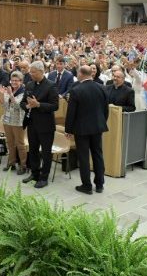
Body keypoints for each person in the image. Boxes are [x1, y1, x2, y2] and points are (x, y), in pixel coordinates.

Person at [65, 66, 109, 194]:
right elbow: (105, 109)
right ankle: (99, 184)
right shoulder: (102, 87)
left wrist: (68, 130)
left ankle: (87, 185)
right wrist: (101, 122)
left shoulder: (76, 90)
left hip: (81, 129)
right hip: (97, 127)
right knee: (98, 155)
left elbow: (71, 112)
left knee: (83, 157)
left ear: (81, 74)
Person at [20, 61, 59, 189]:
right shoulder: (30, 84)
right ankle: (34, 173)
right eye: (30, 72)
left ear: (41, 71)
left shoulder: (51, 85)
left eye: (33, 72)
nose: (31, 74)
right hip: (31, 123)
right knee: (33, 150)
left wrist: (38, 105)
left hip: (45, 125)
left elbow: (55, 106)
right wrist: (27, 106)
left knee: (46, 152)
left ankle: (44, 177)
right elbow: (22, 102)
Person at [0, 71, 28, 174]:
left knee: (20, 144)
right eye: (12, 80)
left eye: (16, 80)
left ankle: (23, 166)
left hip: (18, 121)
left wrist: (11, 94)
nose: (14, 82)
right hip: (7, 120)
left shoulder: (23, 92)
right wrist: (2, 93)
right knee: (10, 143)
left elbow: (18, 106)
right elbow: (4, 105)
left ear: (21, 81)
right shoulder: (8, 90)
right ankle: (11, 163)